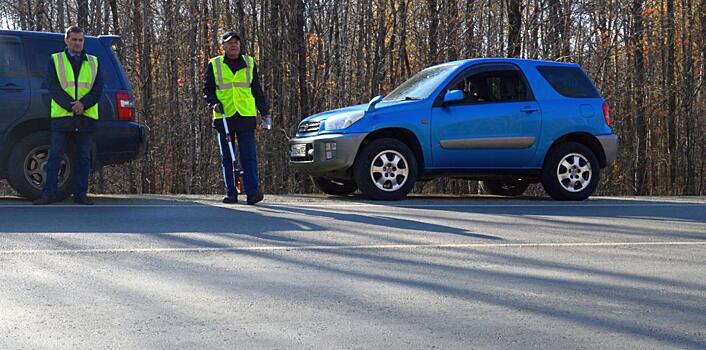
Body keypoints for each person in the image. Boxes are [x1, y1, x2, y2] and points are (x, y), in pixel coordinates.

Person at [34, 25, 103, 205]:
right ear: (66, 40)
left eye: (80, 40)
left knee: (83, 157)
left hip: (86, 116)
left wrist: (83, 104)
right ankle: (49, 194)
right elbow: (52, 86)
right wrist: (71, 105)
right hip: (62, 116)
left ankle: (80, 195)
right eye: (74, 39)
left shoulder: (94, 61)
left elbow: (98, 88)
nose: (77, 43)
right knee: (55, 156)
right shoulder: (55, 60)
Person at [203, 31, 271, 205]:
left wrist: (264, 112)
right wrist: (213, 103)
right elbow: (208, 91)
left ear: (240, 46)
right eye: (229, 43)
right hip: (224, 116)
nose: (233, 46)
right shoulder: (214, 64)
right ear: (223, 46)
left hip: (245, 116)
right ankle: (231, 193)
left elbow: (256, 89)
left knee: (249, 156)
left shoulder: (249, 63)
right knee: (227, 157)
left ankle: (252, 192)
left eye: (236, 43)